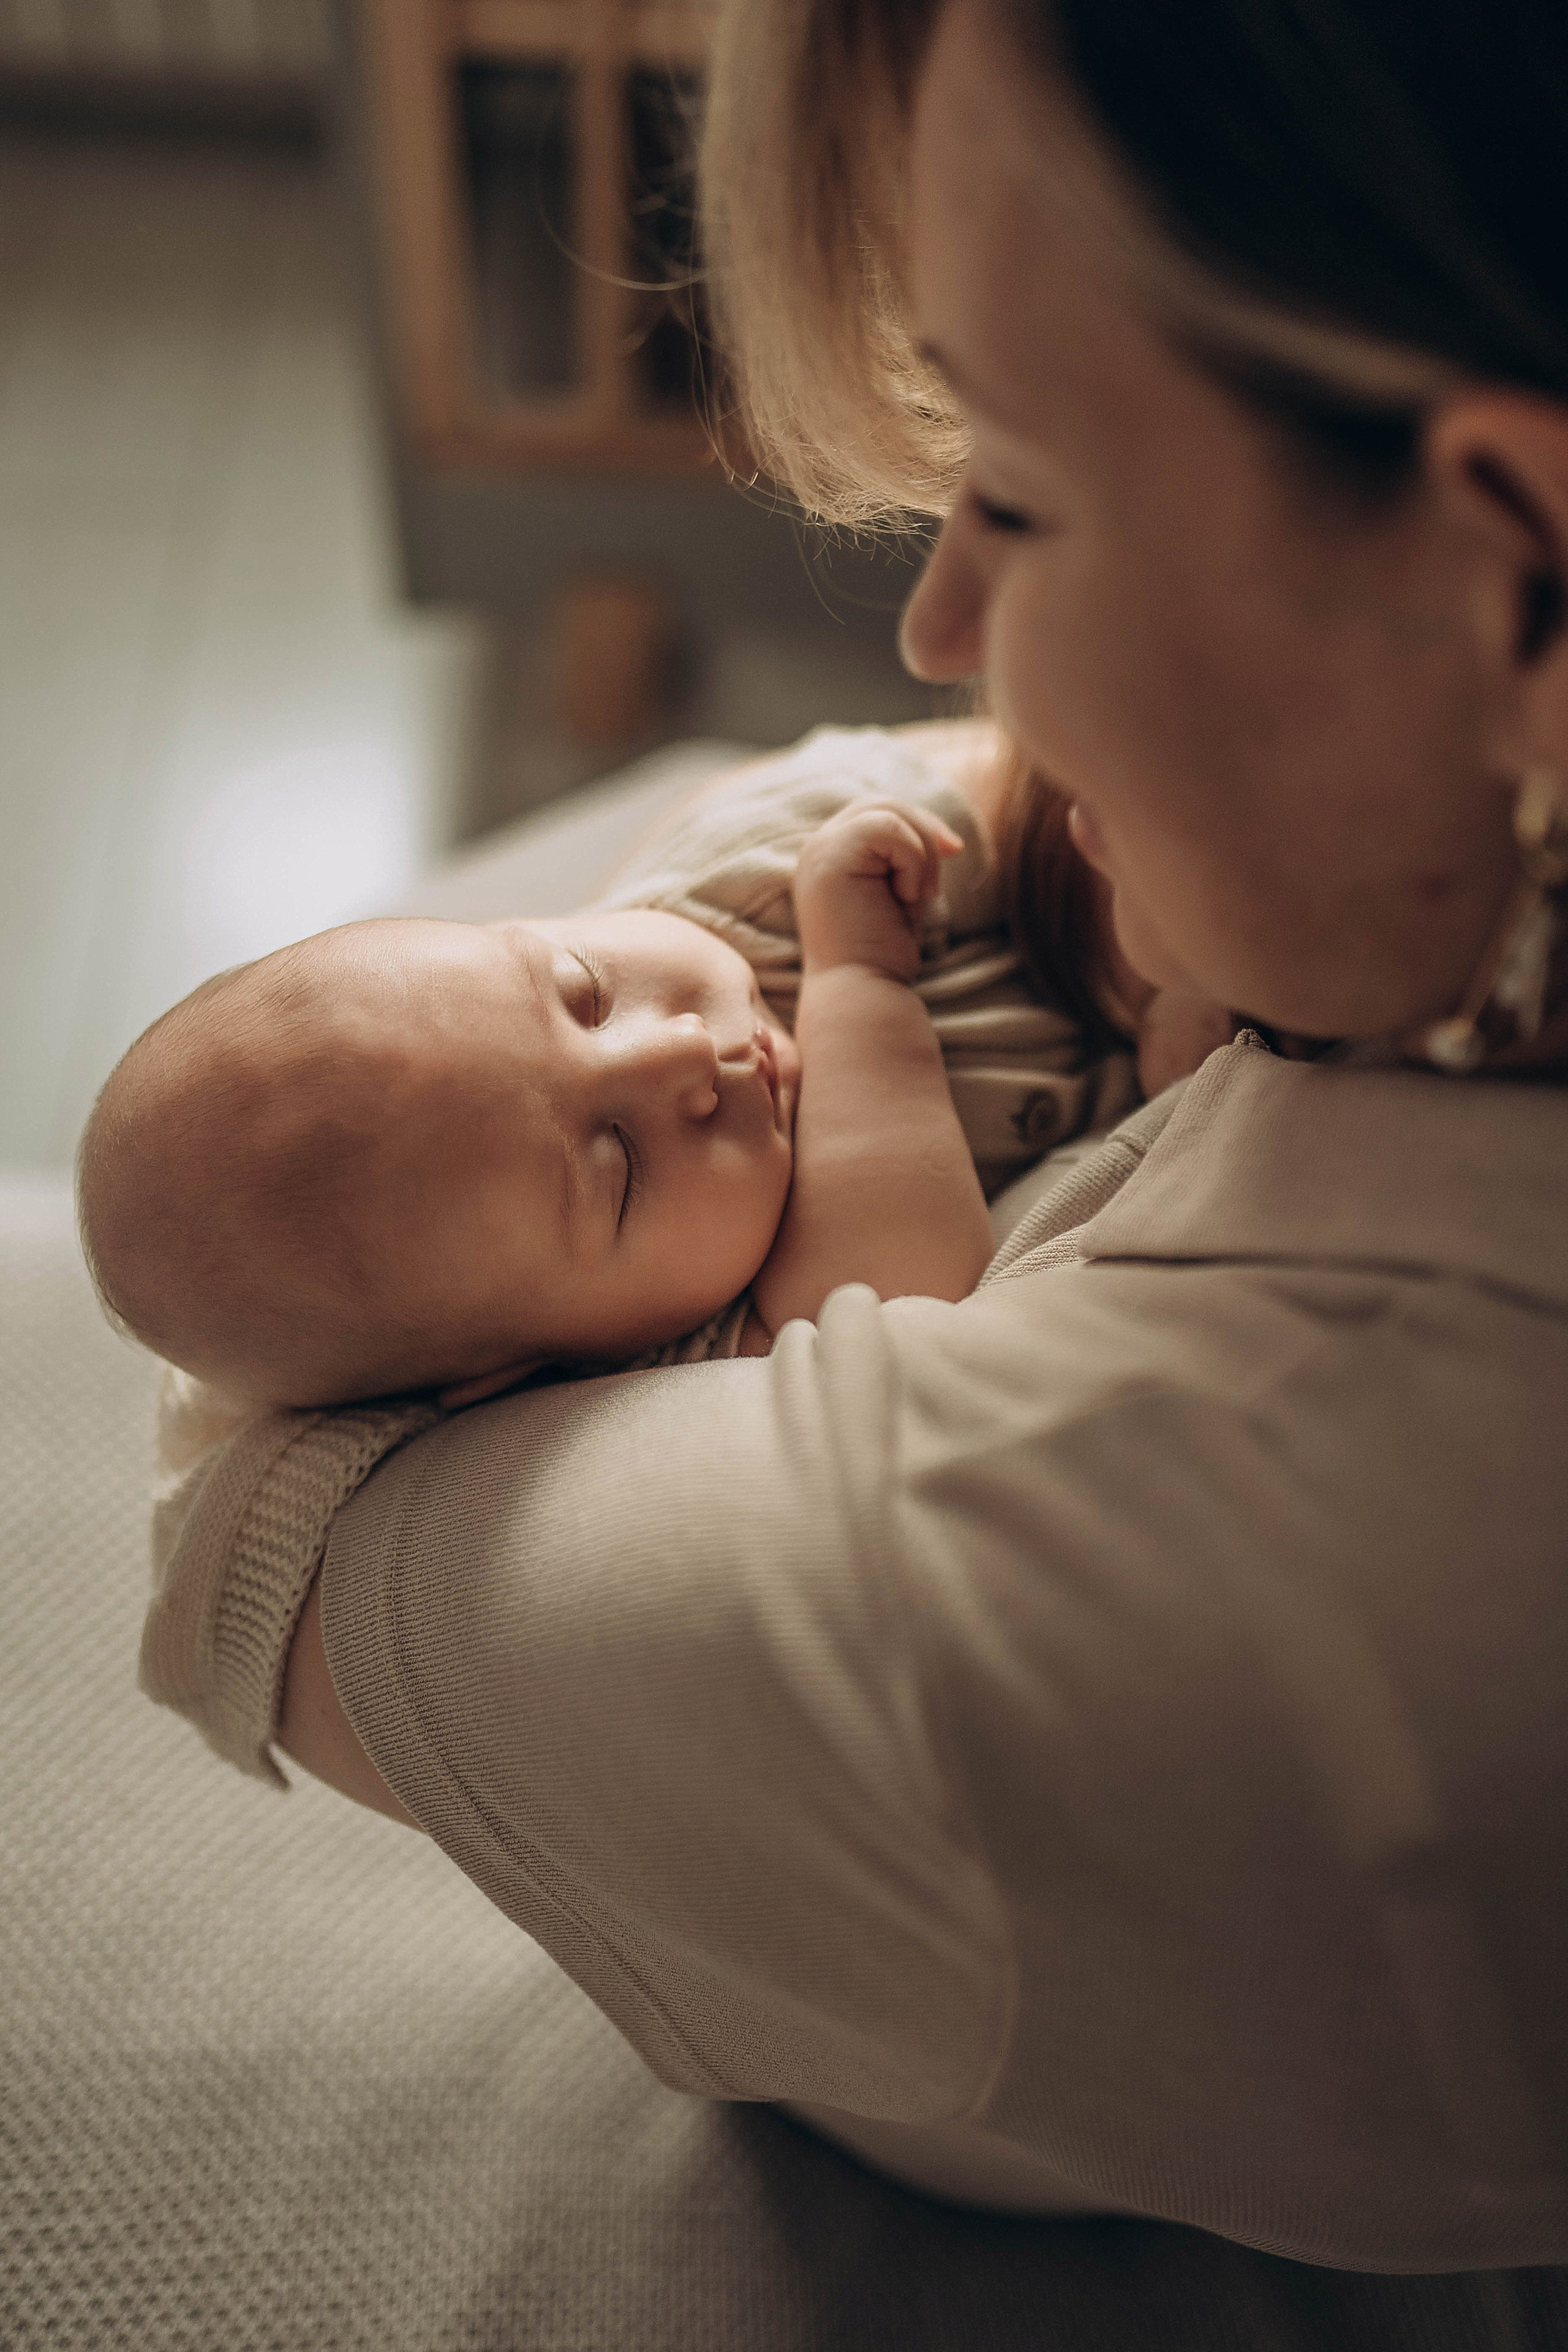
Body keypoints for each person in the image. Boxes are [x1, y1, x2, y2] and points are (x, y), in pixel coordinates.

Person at [129, 0, 1568, 2275]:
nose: (938, 620)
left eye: (1015, 487)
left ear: (1513, 574)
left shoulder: (1207, 1582)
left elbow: (259, 1540)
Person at [79, 795, 991, 1413]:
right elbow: (909, 1284)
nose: (680, 1053)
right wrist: (858, 975)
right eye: (620, 1166)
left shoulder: (738, 883)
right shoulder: (700, 1360)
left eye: (583, 988)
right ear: (524, 1369)